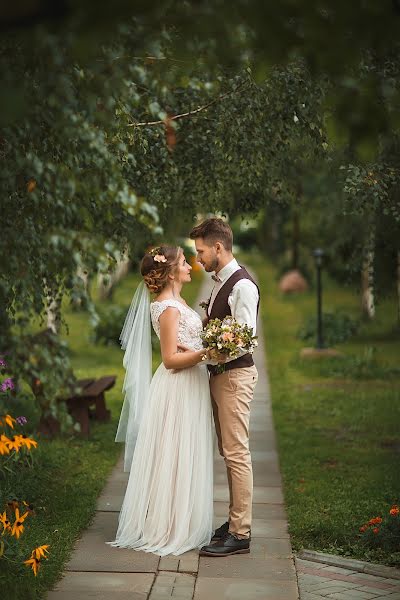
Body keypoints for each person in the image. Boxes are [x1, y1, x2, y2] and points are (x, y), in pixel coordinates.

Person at [108, 245, 214, 556]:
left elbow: (185, 345)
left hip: (191, 384)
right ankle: (167, 525)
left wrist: (204, 344)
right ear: (170, 272)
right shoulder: (167, 308)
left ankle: (181, 517)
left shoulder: (178, 301)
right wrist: (208, 353)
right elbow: (169, 360)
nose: (190, 266)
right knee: (174, 451)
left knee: (185, 450)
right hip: (178, 386)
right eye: (184, 262)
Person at [189, 218, 259, 557]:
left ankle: (241, 533)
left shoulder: (242, 285)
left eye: (201, 251)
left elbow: (246, 340)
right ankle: (233, 522)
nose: (198, 258)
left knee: (237, 454)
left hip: (234, 377)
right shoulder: (220, 282)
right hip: (221, 375)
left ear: (219, 247)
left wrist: (210, 350)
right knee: (228, 453)